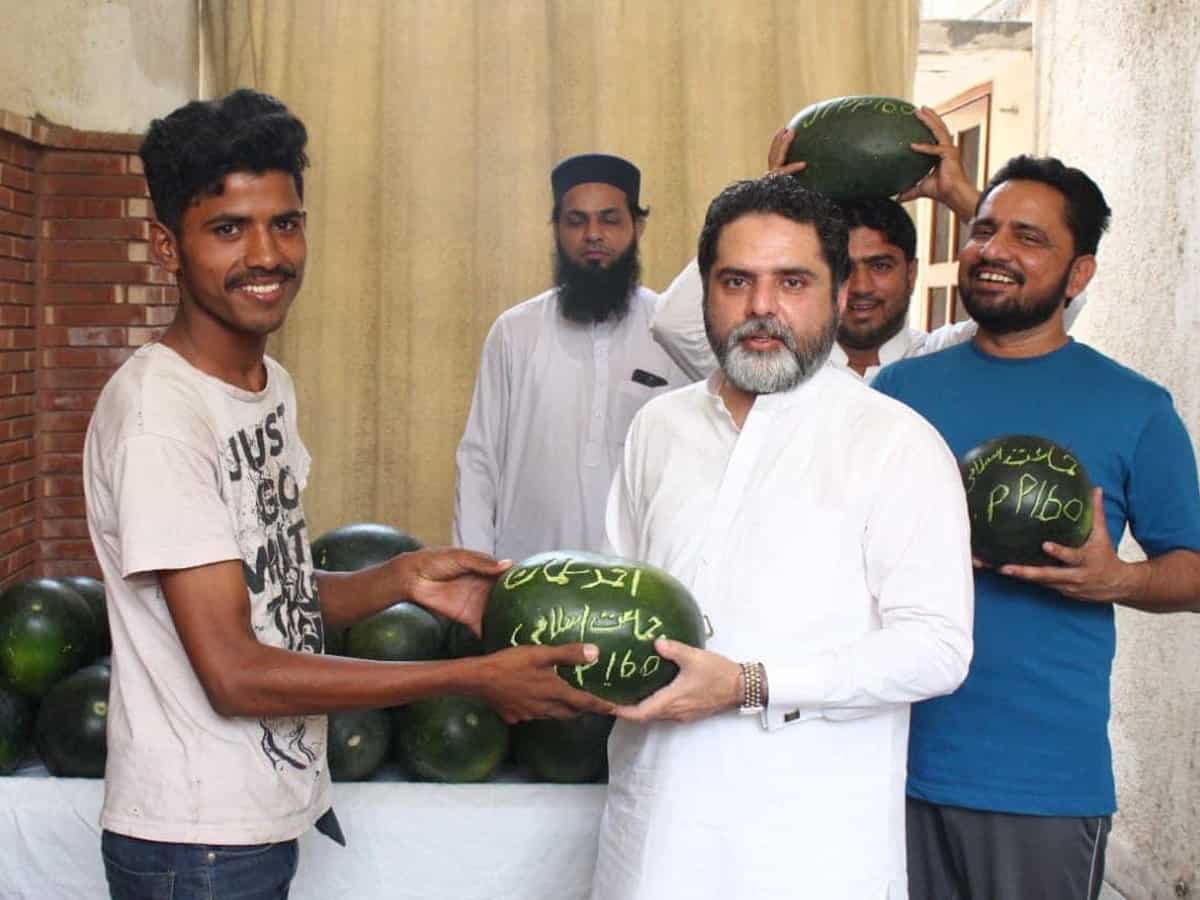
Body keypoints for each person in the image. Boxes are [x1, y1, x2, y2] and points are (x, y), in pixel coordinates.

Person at [83, 89, 611, 900]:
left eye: (284, 222)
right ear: (166, 246)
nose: (267, 255)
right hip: (193, 844)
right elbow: (235, 673)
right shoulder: (160, 417)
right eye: (229, 229)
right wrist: (469, 678)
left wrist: (402, 581)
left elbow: (274, 598)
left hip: (254, 818)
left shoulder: (266, 386)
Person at [591, 174, 974, 899]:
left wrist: (749, 684)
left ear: (835, 296)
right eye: (736, 280)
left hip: (810, 852)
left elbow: (937, 649)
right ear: (705, 294)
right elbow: (624, 607)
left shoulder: (895, 443)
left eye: (792, 281)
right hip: (650, 844)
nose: (761, 307)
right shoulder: (658, 429)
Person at [871, 155, 1200, 899]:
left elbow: (1193, 567)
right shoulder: (896, 392)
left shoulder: (1136, 407)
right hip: (883, 760)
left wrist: (1120, 579)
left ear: (1078, 275)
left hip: (1040, 783)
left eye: (1029, 237)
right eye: (983, 229)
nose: (994, 251)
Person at [649, 109, 1087, 383]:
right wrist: (770, 204)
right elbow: (674, 323)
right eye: (847, 268)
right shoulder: (782, 361)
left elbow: (1058, 300)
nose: (861, 286)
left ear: (911, 272)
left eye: (880, 265)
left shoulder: (945, 357)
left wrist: (963, 198)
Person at [452, 154, 687, 563]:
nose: (592, 235)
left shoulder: (672, 333)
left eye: (610, 220)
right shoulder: (515, 331)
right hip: (525, 580)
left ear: (638, 227)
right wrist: (475, 573)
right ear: (556, 229)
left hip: (638, 584)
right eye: (576, 221)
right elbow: (478, 462)